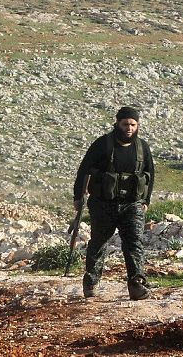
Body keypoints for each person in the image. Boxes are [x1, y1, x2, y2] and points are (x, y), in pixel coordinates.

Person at [73, 106, 155, 300]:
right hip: (103, 203)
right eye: (125, 124)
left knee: (134, 243)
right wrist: (78, 197)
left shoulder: (142, 148)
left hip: (132, 203)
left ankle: (136, 284)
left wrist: (146, 201)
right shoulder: (102, 145)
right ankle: (91, 282)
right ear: (117, 123)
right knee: (99, 242)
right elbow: (84, 170)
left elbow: (150, 175)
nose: (129, 128)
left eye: (133, 124)